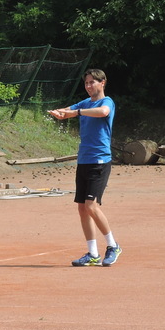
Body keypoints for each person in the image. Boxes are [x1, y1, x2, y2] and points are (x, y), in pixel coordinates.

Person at [48, 68, 121, 267]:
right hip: (84, 161)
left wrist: (77, 112)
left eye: (92, 82)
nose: (88, 86)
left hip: (100, 161)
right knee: (82, 208)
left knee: (91, 206)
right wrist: (59, 113)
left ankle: (113, 245)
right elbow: (68, 111)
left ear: (102, 82)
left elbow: (103, 112)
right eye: (86, 83)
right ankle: (93, 254)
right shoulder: (85, 103)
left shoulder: (107, 102)